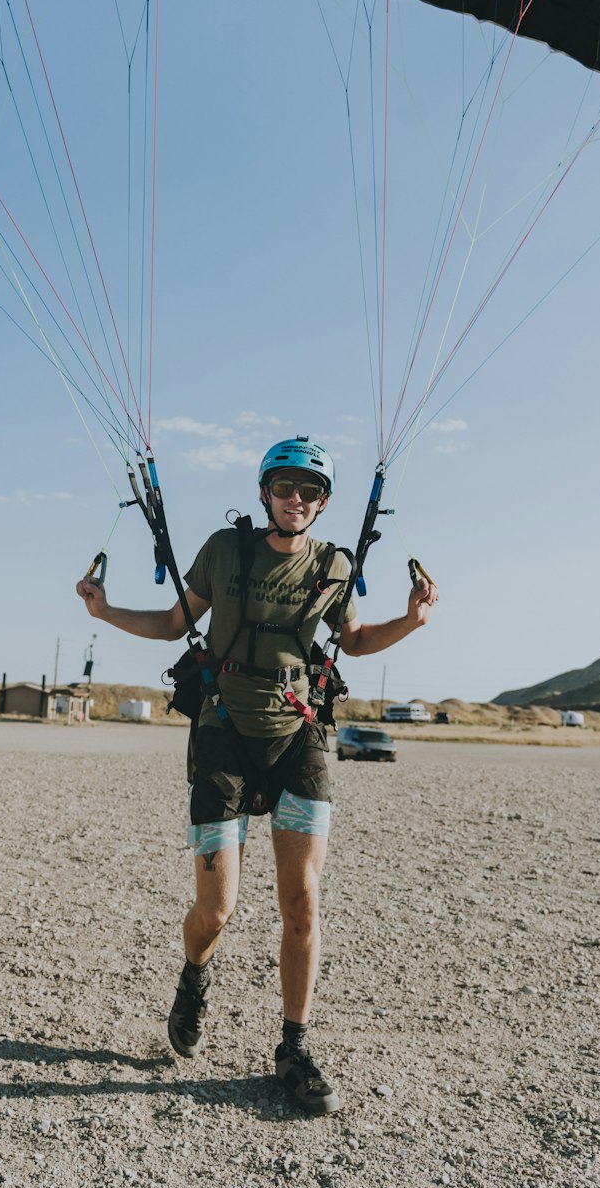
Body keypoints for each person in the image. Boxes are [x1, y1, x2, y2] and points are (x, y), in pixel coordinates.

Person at [76, 436, 438, 1115]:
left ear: (323, 501)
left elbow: (354, 641)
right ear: (264, 492)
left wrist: (411, 622)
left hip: (300, 738)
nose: (295, 499)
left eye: (308, 490)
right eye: (284, 487)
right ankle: (194, 976)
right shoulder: (224, 550)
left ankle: (293, 1047)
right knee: (216, 909)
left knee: (301, 902)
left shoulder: (335, 565)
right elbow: (172, 622)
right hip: (223, 737)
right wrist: (105, 611)